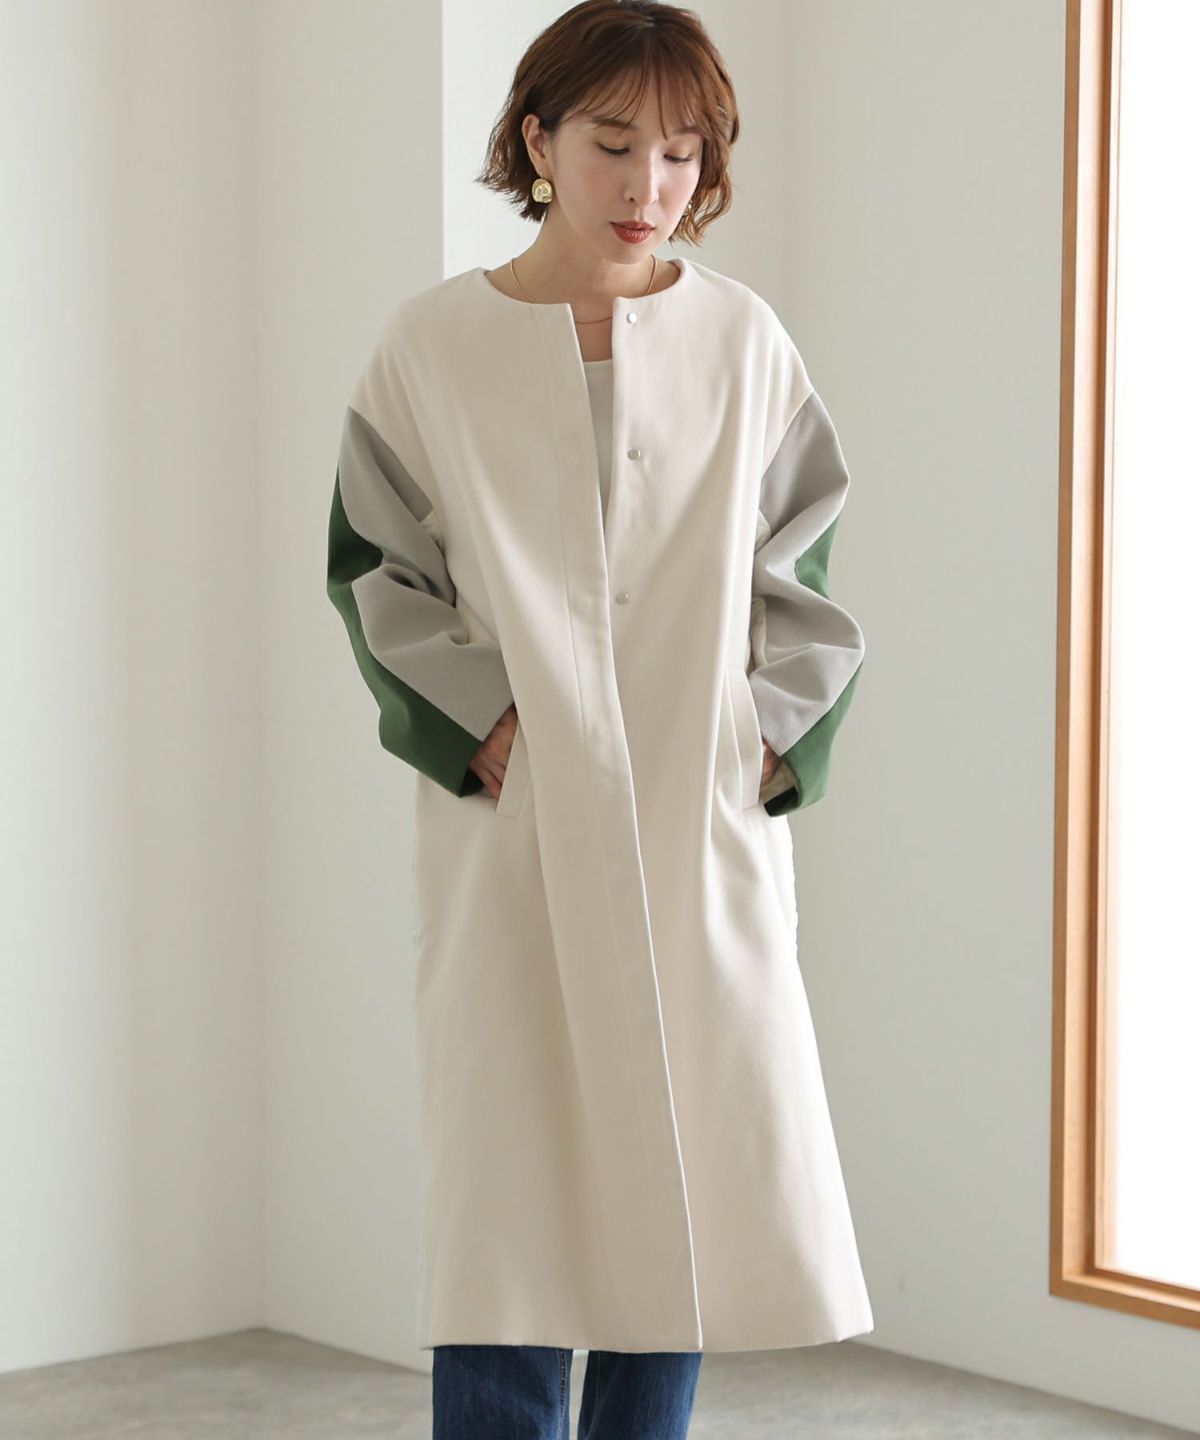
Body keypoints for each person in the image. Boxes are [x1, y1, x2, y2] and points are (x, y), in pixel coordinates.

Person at [325, 2, 873, 1435]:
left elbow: (803, 566)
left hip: (701, 823)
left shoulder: (743, 340)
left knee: (681, 1191)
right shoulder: (432, 346)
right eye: (614, 144)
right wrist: (484, 728)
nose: (649, 186)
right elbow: (377, 570)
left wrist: (764, 741)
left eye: (682, 153)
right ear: (538, 140)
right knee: (508, 1207)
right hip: (515, 826)